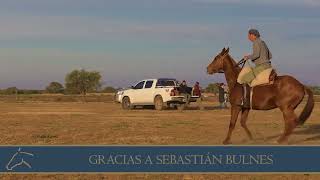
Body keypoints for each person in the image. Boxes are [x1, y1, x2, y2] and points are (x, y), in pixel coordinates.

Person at [241, 29, 273, 106]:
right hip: (268, 65)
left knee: (244, 79)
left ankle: (245, 101)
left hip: (262, 66)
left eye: (248, 35)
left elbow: (256, 55)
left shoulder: (255, 42)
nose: (248, 37)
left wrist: (247, 57)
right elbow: (270, 56)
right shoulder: (263, 42)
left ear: (253, 35)